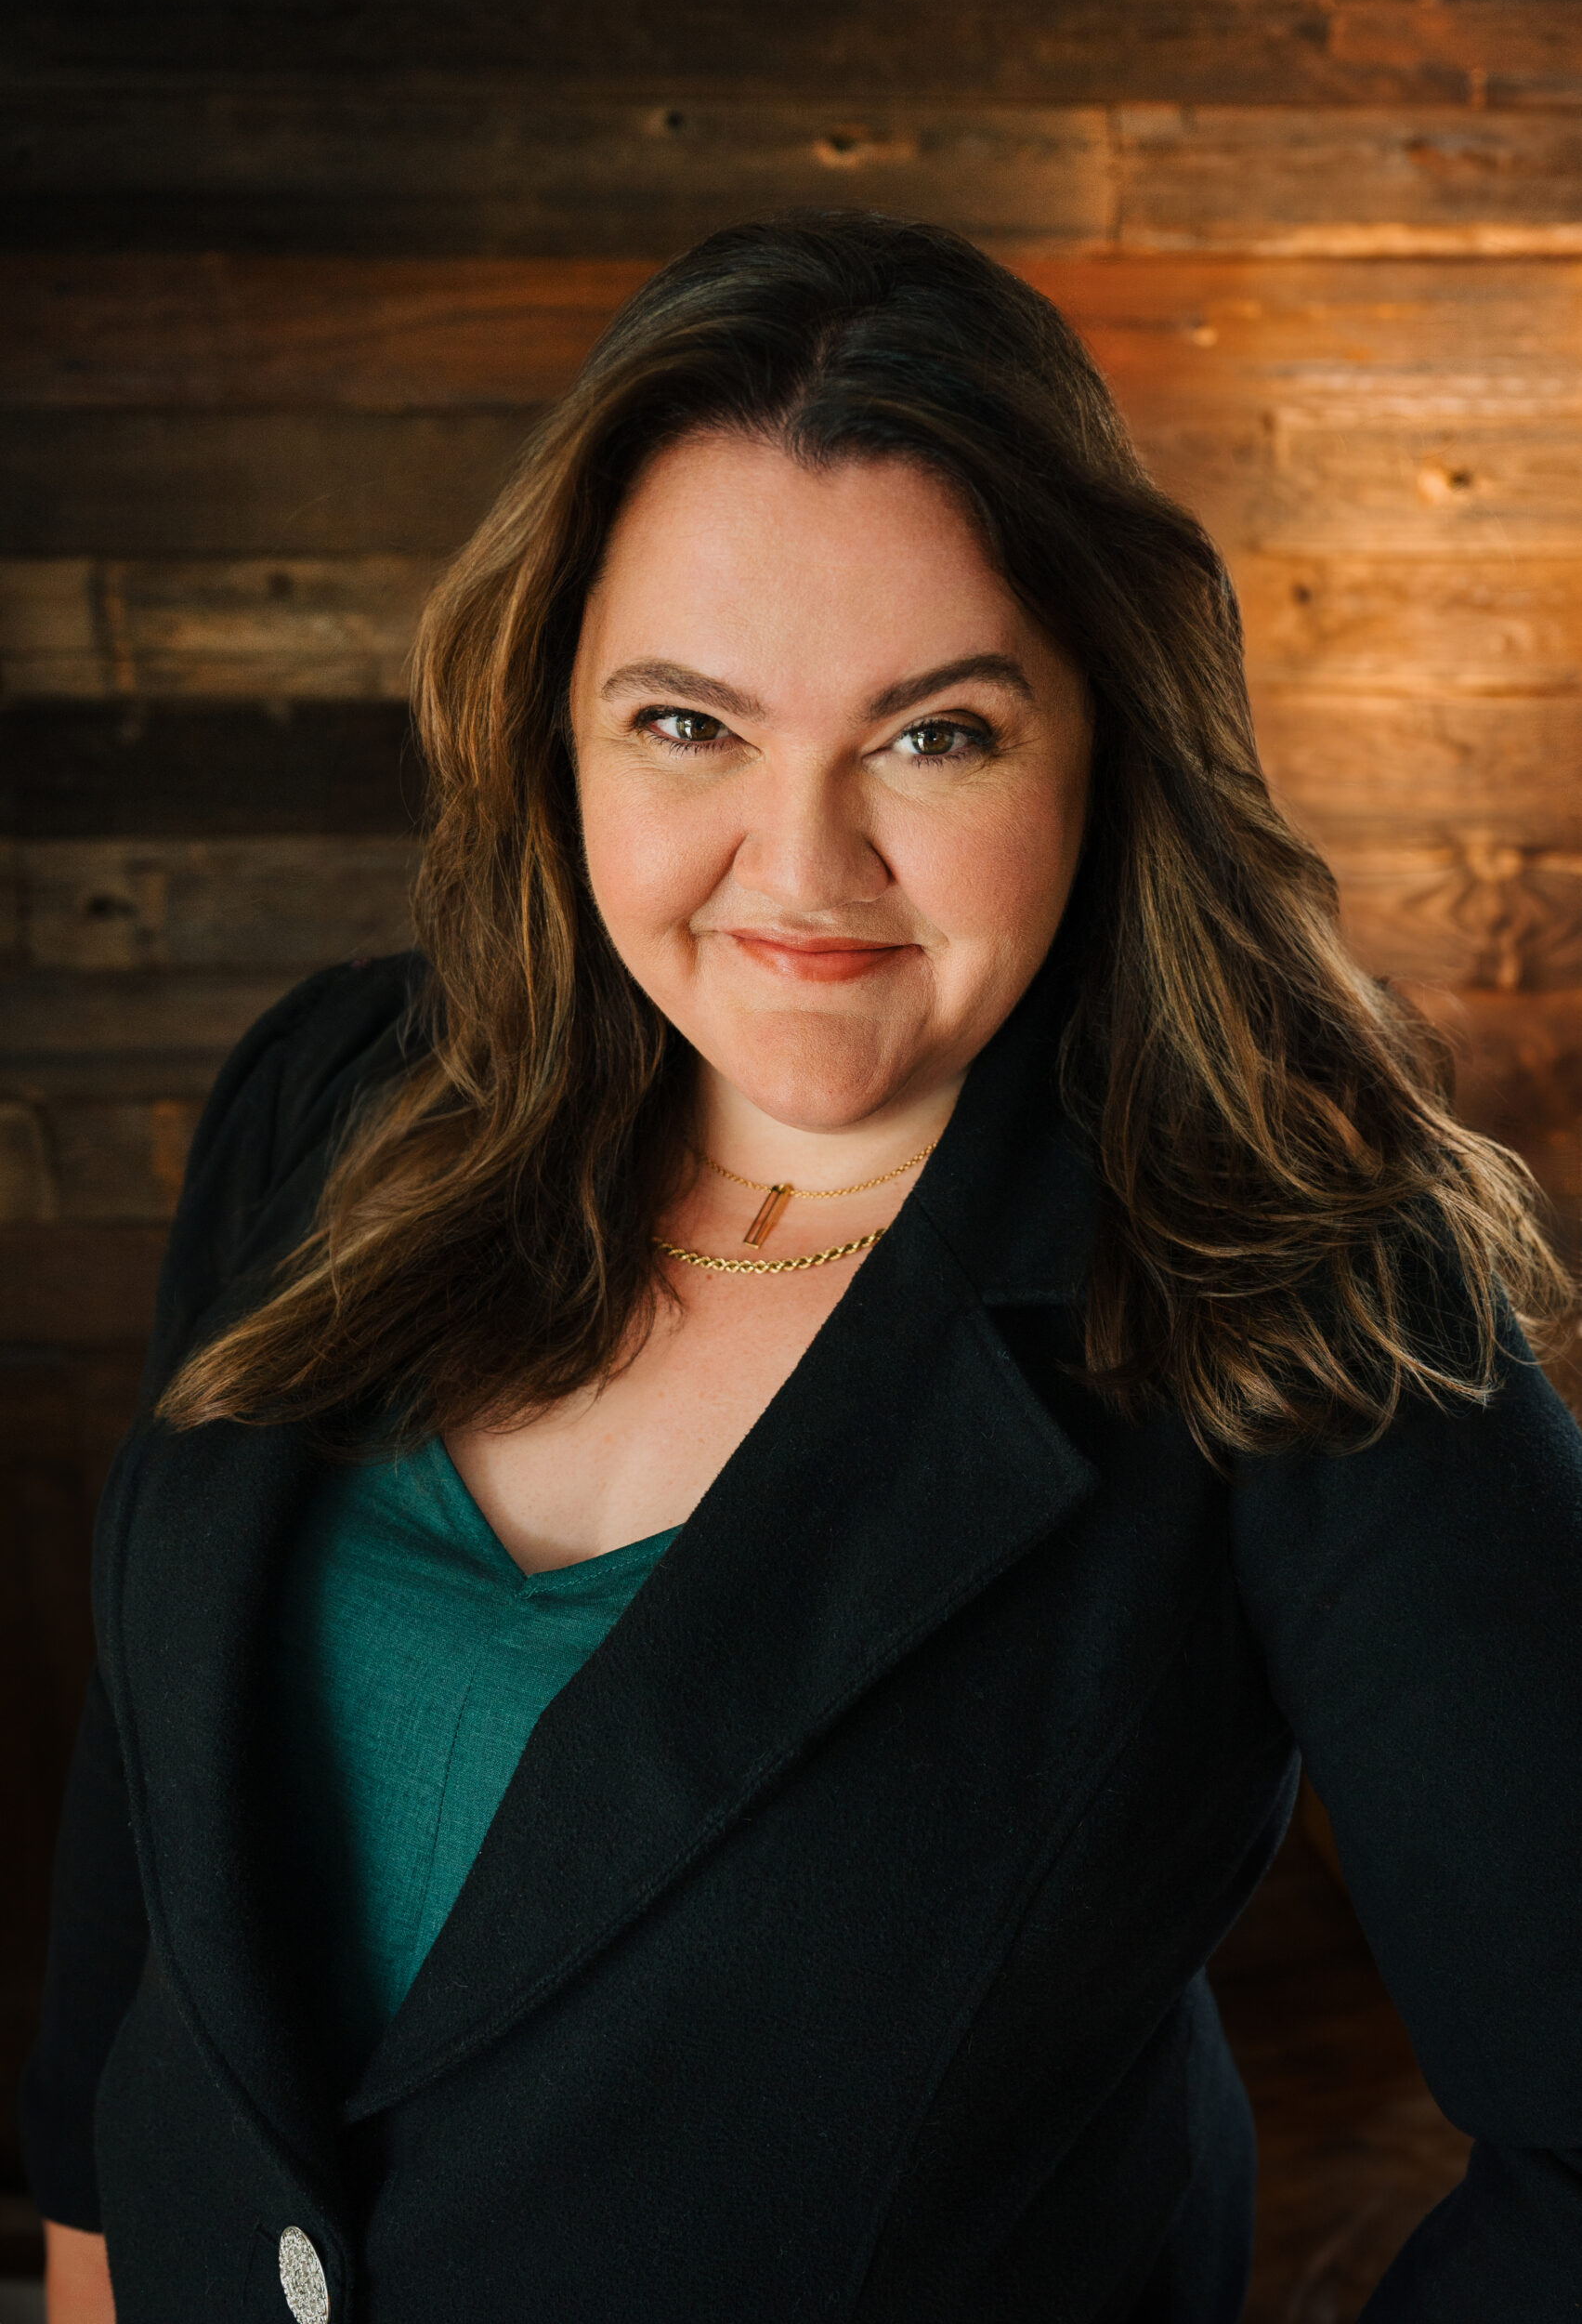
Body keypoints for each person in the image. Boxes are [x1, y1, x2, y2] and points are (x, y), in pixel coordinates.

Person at [20, 213, 1582, 2324]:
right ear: (552, 718)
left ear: (1101, 742)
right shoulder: (328, 1100)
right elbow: (151, 1837)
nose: (801, 865)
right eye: (688, 723)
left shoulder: (1302, 1277)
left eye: (935, 735)